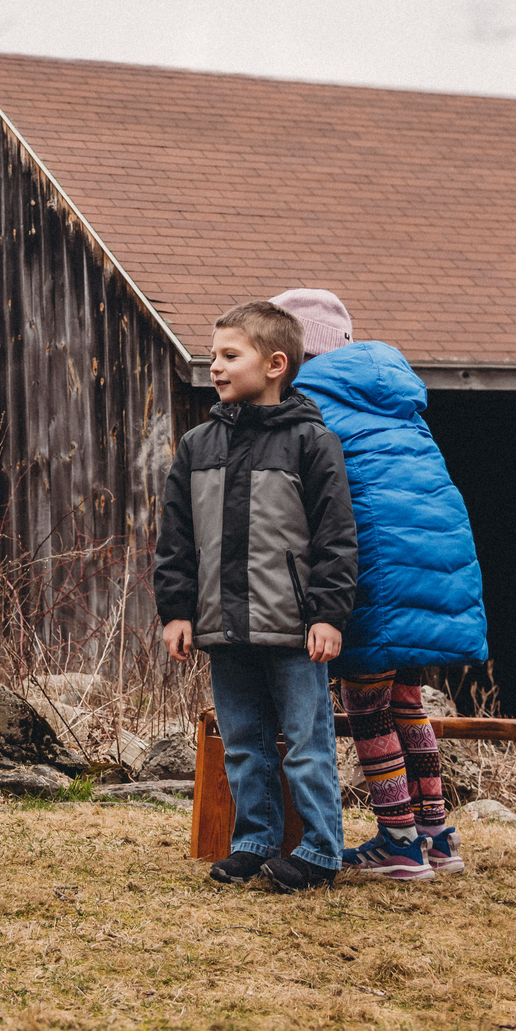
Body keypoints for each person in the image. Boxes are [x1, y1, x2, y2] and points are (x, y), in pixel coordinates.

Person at [276, 289, 489, 882]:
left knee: (365, 702)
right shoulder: (391, 396)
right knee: (406, 700)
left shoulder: (311, 403)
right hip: (430, 563)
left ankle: (398, 842)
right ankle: (436, 836)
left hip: (376, 567)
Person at [154, 301, 360, 893]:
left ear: (274, 364)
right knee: (242, 743)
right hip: (221, 626)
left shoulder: (312, 443)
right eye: (213, 354)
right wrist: (177, 611)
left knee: (307, 743)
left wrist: (328, 615)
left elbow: (336, 537)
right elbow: (176, 539)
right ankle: (254, 841)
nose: (213, 366)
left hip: (295, 631)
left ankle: (321, 849)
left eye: (228, 355)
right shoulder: (197, 445)